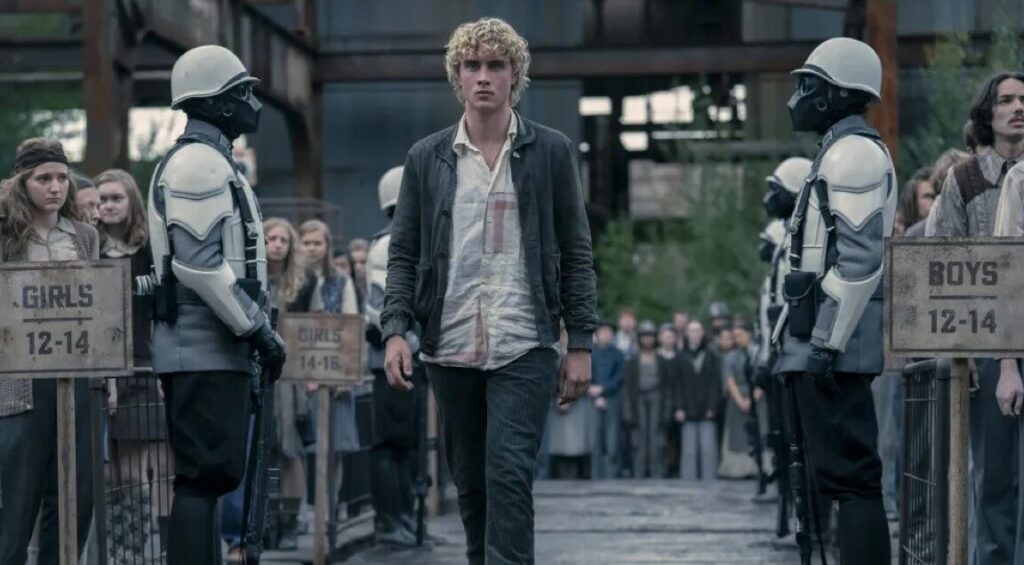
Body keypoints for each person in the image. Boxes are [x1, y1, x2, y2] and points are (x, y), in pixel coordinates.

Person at [380, 17, 597, 564]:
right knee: (471, 484)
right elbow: (403, 253)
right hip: (449, 342)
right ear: (457, 76)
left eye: (495, 65)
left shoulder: (550, 151)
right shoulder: (427, 158)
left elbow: (576, 251)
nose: (483, 77)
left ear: (514, 76)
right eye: (471, 65)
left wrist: (580, 343)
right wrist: (395, 331)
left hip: (525, 340)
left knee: (508, 475)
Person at [146, 45, 285, 565]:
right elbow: (200, 264)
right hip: (204, 346)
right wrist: (257, 331)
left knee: (213, 473)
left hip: (210, 347)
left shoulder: (210, 159)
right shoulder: (200, 164)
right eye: (243, 92)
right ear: (219, 104)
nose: (254, 102)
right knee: (204, 476)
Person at [773, 37, 896, 563]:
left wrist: (826, 343)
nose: (798, 96)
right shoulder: (839, 150)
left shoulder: (853, 154)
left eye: (809, 85)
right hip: (818, 338)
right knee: (836, 478)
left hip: (831, 344)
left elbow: (861, 260)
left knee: (852, 478)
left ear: (836, 92)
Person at [930, 71, 1024, 565]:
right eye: (1006, 100)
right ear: (988, 113)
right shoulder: (964, 178)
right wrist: (959, 356)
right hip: (988, 344)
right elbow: (942, 270)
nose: (1017, 107)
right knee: (992, 475)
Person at [0, 138, 98, 565]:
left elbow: (98, 306)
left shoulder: (85, 236)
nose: (55, 187)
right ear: (23, 183)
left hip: (74, 370)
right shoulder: (5, 235)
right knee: (17, 494)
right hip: (18, 377)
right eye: (44, 179)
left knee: (76, 491)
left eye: (62, 178)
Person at [95, 168, 174, 560]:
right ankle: (112, 550)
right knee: (106, 474)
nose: (107, 205)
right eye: (102, 198)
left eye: (115, 198)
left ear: (131, 202)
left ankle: (134, 552)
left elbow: (163, 313)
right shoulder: (88, 247)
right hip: (95, 365)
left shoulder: (149, 251)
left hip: (140, 365)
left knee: (131, 472)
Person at [364, 166, 421, 546]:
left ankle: (401, 518)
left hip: (404, 352)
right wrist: (410, 340)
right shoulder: (389, 245)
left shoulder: (401, 241)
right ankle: (390, 519)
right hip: (393, 354)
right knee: (390, 441)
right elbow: (378, 306)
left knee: (403, 442)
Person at [263, 217, 318, 550]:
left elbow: (314, 323)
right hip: (259, 371)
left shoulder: (305, 279)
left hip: (293, 373)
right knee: (263, 449)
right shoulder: (250, 273)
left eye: (284, 239)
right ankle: (265, 521)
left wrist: (310, 373)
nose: (278, 244)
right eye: (272, 238)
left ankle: (289, 522)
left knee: (290, 450)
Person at [622, 321, 673, 479]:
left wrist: (667, 410)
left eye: (650, 336)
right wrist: (627, 410)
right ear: (639, 338)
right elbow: (627, 387)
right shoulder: (632, 361)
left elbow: (668, 388)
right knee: (639, 437)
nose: (647, 340)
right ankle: (639, 472)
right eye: (644, 336)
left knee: (656, 437)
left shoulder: (662, 360)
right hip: (638, 398)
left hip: (656, 396)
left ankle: (656, 472)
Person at [676, 320, 721, 481]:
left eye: (697, 331)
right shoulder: (680, 357)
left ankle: (709, 483)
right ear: (686, 334)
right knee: (689, 451)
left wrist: (713, 406)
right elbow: (677, 385)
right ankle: (689, 485)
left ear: (702, 333)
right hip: (687, 409)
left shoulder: (711, 356)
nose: (694, 334)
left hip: (707, 409)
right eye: (691, 331)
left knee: (708, 450)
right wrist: (679, 407)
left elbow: (716, 384)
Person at [588, 320, 624, 480]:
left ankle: (611, 477)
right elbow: (585, 374)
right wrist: (593, 391)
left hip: (613, 399)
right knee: (595, 441)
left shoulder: (618, 354)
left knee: (612, 442)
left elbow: (620, 378)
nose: (606, 335)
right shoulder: (590, 353)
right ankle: (595, 476)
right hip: (592, 400)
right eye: (603, 332)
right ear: (597, 334)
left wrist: (603, 390)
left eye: (609, 332)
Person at [348, 237, 369, 312]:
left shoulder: (378, 288)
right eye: (353, 263)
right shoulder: (346, 289)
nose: (357, 267)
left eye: (363, 262)